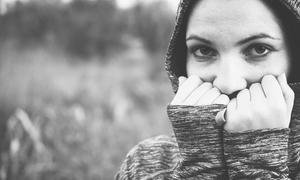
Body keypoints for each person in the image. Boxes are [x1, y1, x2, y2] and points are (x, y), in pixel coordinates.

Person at [115, 0, 300, 179]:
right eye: (204, 51)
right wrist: (200, 167)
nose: (228, 83)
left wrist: (258, 165)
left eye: (259, 49)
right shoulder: (143, 166)